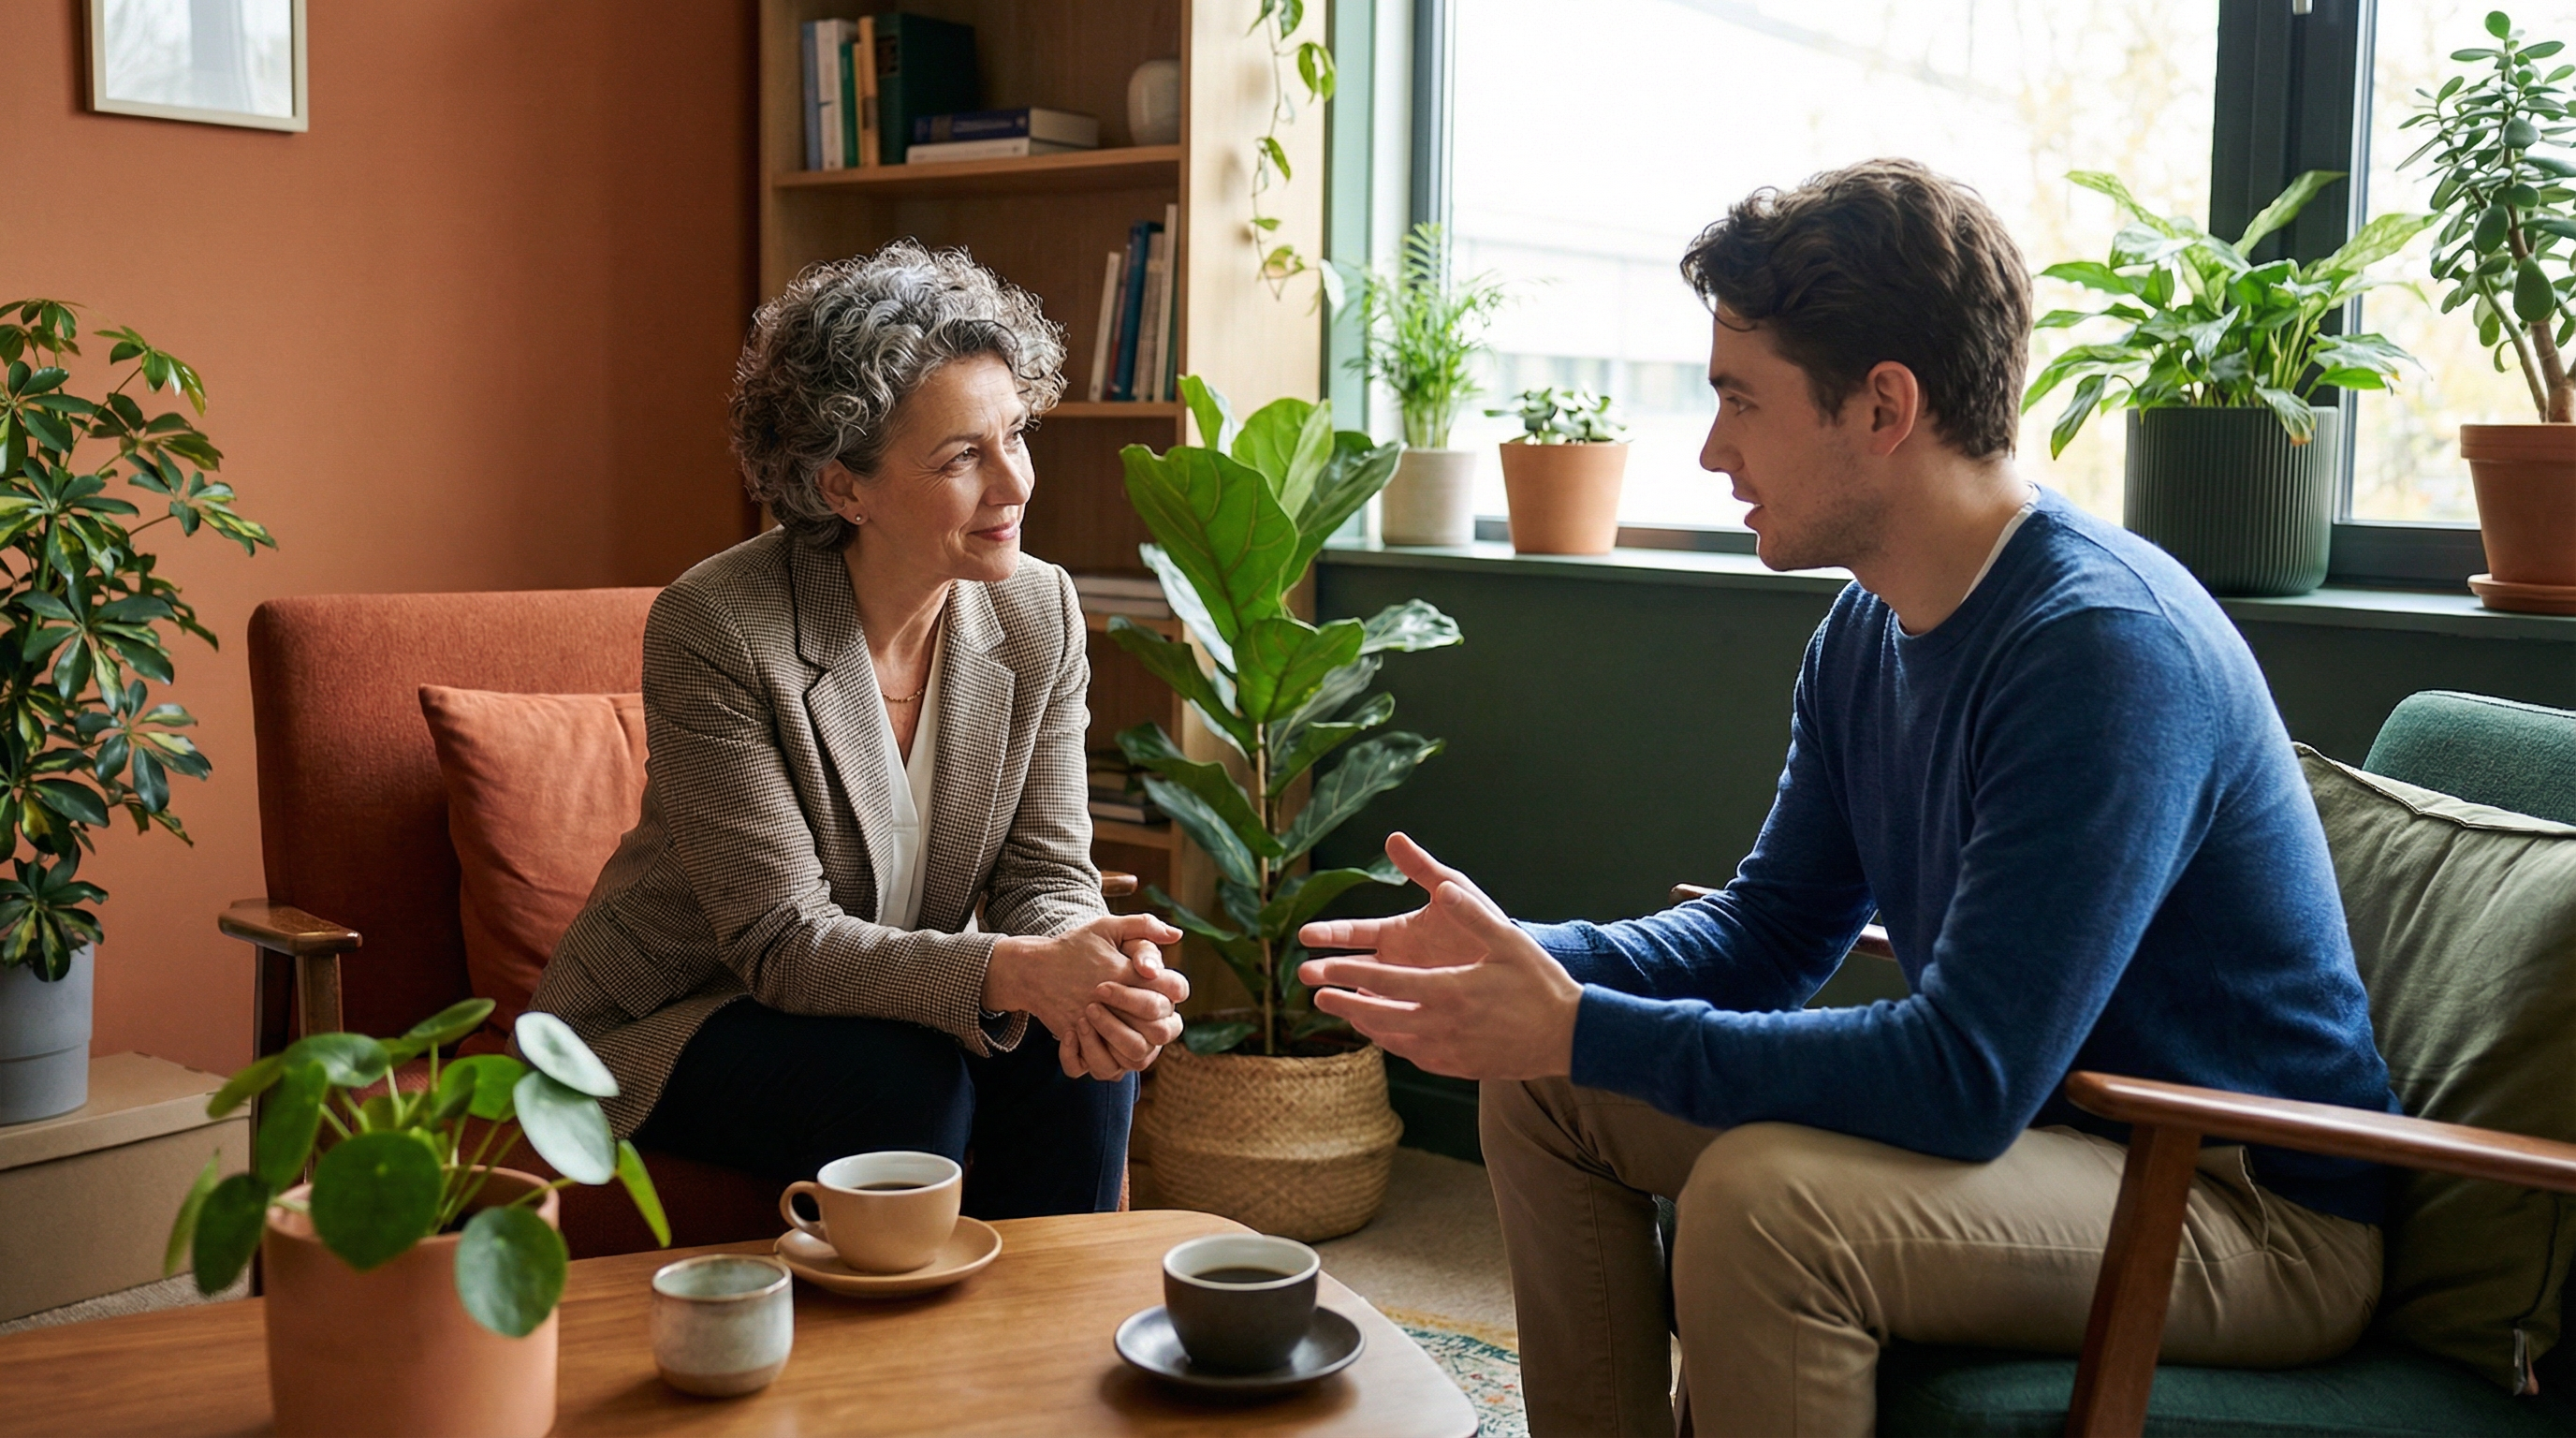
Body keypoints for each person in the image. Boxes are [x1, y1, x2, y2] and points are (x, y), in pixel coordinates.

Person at [1295, 159, 2396, 1435]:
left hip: (2238, 1202)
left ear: (1883, 406)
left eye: (1741, 402)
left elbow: (1964, 1075)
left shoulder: (2102, 646)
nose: (1711, 450)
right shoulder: (1867, 631)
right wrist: (1531, 968)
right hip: (2069, 1137)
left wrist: (1583, 1022)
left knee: (1766, 1204)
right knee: (1543, 1089)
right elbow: (1771, 931)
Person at [532, 241, 1188, 1218]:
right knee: (907, 1076)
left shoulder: (1038, 611)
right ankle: (892, 1364)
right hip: (675, 1017)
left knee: (1066, 1049)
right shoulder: (716, 625)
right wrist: (1018, 970)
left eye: (1016, 435)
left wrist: (1088, 966)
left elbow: (1045, 878)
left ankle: (1051, 1354)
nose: (1013, 485)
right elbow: (778, 940)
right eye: (963, 455)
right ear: (845, 487)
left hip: (878, 1005)